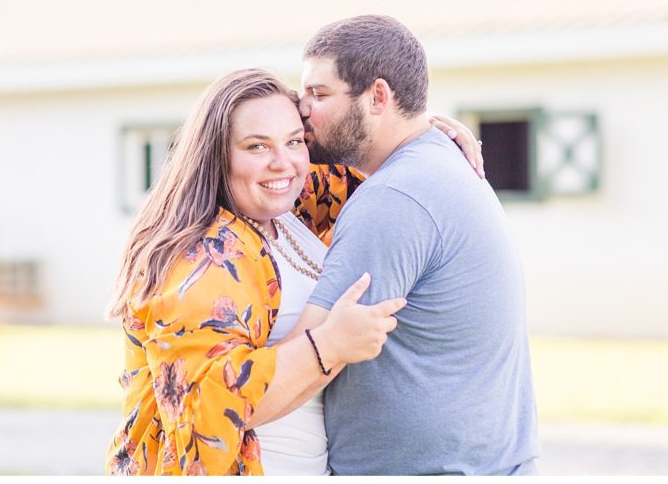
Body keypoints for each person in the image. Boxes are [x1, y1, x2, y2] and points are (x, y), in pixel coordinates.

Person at [103, 69, 480, 476]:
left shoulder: (289, 211)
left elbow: (374, 167)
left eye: (294, 141)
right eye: (256, 146)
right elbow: (207, 409)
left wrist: (425, 136)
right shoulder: (200, 256)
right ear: (214, 154)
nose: (282, 163)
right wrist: (329, 344)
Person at [289, 14, 540, 475]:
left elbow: (300, 364)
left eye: (319, 95)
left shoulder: (393, 198)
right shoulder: (442, 160)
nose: (302, 110)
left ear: (378, 96)